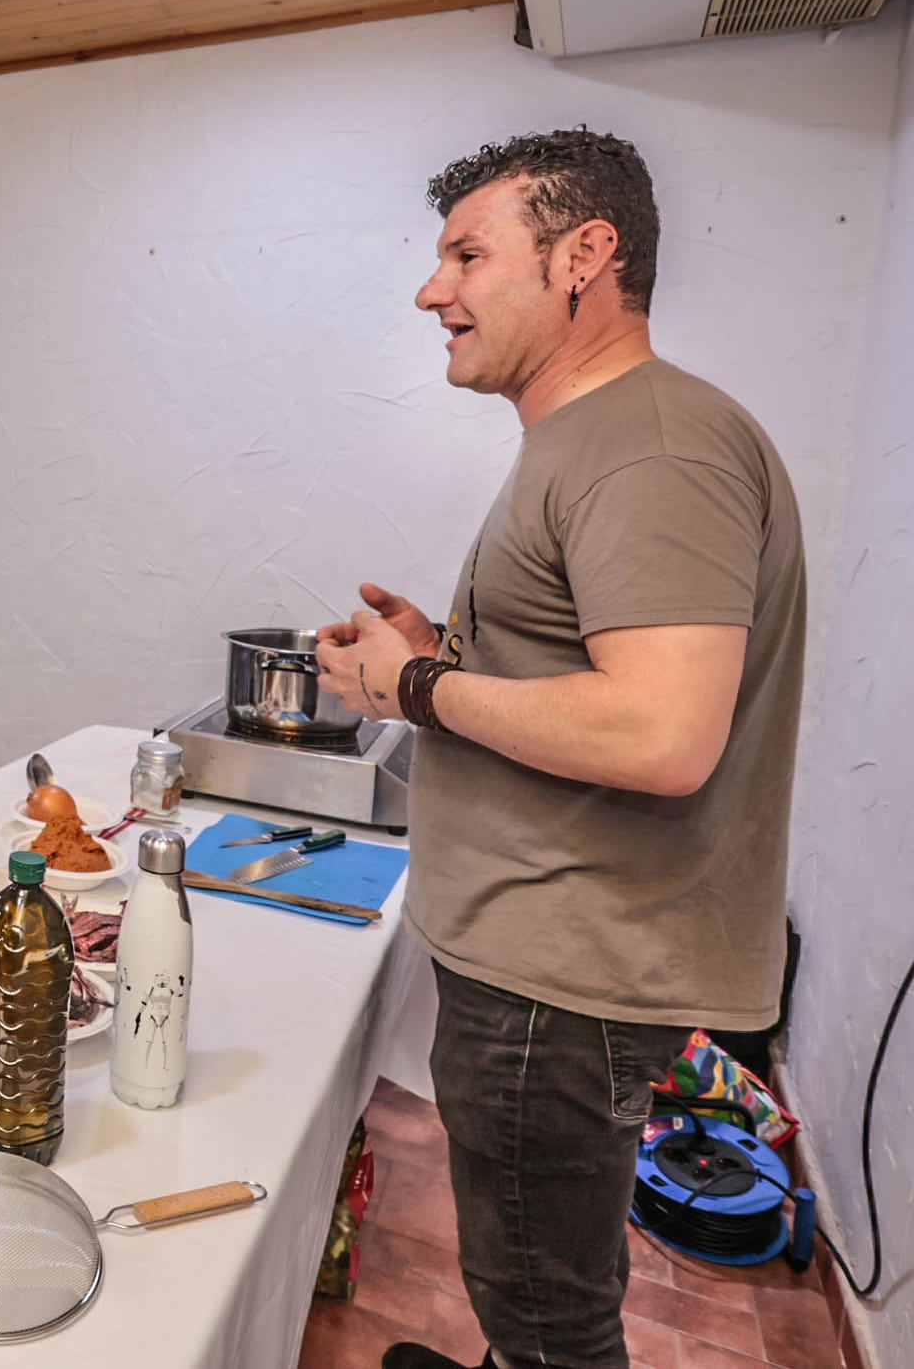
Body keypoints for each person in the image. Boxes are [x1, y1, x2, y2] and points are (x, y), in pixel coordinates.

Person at [313, 130, 806, 1369]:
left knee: (552, 1322)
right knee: (527, 1270)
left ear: (585, 255)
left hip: (564, 979)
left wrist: (415, 683)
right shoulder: (595, 439)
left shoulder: (651, 445)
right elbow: (592, 679)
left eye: (468, 255)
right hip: (550, 955)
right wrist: (442, 649)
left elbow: (660, 730)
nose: (436, 290)